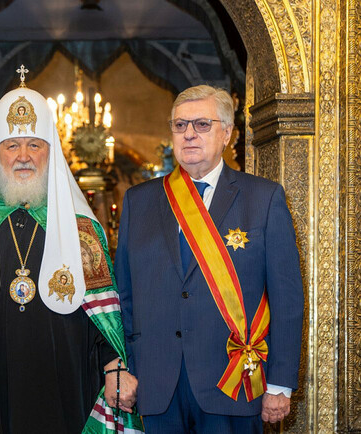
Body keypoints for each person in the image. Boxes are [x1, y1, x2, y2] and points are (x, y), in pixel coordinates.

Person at [0, 70, 142, 433]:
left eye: (34, 145)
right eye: (12, 146)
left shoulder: (82, 229)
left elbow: (102, 318)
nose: (24, 156)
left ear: (51, 152)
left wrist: (114, 365)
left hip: (66, 388)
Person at [115, 85, 304, 433]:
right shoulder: (138, 201)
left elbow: (286, 298)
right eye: (180, 125)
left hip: (233, 383)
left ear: (227, 133)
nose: (189, 134)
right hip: (156, 384)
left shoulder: (263, 198)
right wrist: (121, 369)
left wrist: (279, 383)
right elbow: (123, 297)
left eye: (202, 124)